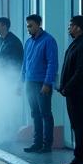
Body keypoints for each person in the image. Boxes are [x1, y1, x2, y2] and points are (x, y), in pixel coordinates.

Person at [58, 15, 83, 164]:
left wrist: (67, 87)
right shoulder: (76, 44)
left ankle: (80, 158)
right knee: (76, 124)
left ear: (79, 27)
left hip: (77, 93)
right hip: (72, 92)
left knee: (79, 125)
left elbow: (81, 72)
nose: (68, 28)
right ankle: (78, 156)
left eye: (71, 25)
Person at [22, 14, 59, 154]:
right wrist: (22, 82)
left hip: (42, 83)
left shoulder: (48, 40)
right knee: (34, 114)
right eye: (27, 26)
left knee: (46, 114)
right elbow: (24, 64)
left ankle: (47, 145)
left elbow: (52, 63)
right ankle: (36, 143)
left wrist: (47, 83)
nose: (28, 28)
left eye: (30, 25)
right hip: (30, 83)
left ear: (38, 25)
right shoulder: (28, 42)